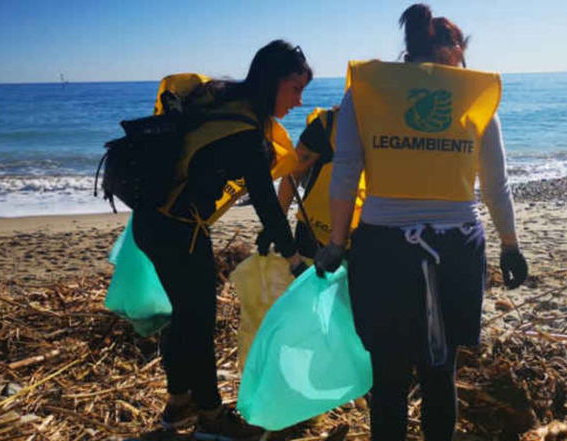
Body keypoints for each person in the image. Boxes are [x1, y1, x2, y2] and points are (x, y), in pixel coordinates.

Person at [314, 5, 528, 441]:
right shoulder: (473, 94)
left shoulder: (367, 91)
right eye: (461, 55)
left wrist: (336, 243)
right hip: (456, 250)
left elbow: (346, 170)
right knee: (439, 369)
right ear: (451, 51)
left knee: (389, 375)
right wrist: (510, 245)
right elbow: (495, 184)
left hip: (383, 251)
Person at [132, 40, 311, 439]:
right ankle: (211, 418)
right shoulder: (244, 131)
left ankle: (180, 405)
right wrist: (294, 256)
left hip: (154, 222)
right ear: (273, 82)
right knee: (197, 322)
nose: (299, 102)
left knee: (184, 318)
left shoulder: (225, 102)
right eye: (296, 89)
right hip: (179, 230)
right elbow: (265, 200)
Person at [258, 106, 365, 258]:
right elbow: (293, 173)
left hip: (366, 236)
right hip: (314, 232)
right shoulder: (328, 124)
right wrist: (275, 225)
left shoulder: (396, 129)